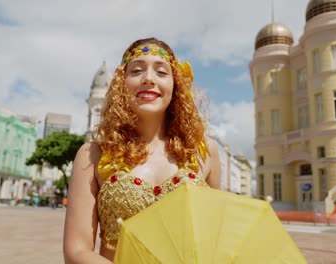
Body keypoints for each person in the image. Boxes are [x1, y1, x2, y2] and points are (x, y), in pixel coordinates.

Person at [63, 37, 220, 263]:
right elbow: (76, 251)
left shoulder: (205, 152)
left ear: (176, 85)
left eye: (161, 72)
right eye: (136, 71)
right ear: (121, 83)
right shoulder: (91, 154)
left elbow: (214, 238)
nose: (148, 79)